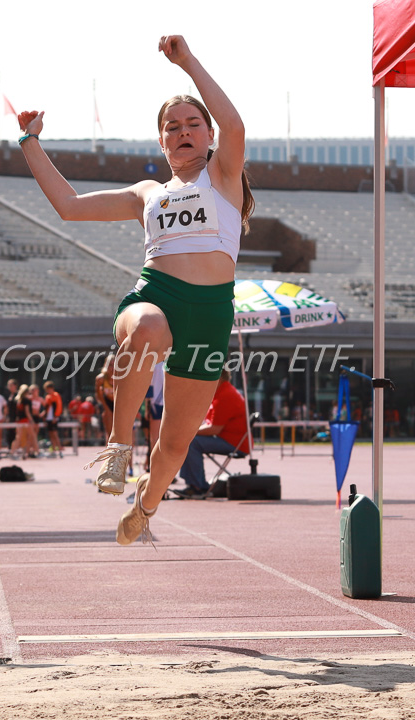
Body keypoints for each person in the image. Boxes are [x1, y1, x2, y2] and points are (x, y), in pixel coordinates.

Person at [18, 34, 253, 546]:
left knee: (172, 448)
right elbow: (70, 206)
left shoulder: (223, 175)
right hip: (156, 294)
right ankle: (118, 446)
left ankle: (145, 507)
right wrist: (30, 142)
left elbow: (234, 124)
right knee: (145, 326)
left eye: (193, 124)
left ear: (208, 135)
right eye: (173, 127)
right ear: (162, 143)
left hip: (210, 315)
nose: (183, 131)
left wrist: (188, 62)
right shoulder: (148, 194)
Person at [175, 368, 250, 497]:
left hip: (235, 443)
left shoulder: (226, 395)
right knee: (190, 440)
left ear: (217, 378)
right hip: (230, 439)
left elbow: (214, 429)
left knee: (192, 442)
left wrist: (189, 431)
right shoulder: (222, 392)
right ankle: (194, 484)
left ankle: (198, 486)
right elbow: (210, 424)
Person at [10, 384, 38, 459]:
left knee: (18, 437)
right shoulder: (26, 400)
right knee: (33, 436)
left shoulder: (18, 400)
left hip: (19, 421)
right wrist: (32, 421)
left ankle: (12, 452)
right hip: (25, 421)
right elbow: (27, 412)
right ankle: (37, 451)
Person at [95, 354, 115, 443]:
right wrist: (106, 408)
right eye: (110, 365)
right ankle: (109, 453)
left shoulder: (121, 377)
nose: (112, 368)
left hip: (119, 404)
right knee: (109, 432)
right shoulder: (101, 379)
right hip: (107, 403)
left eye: (114, 365)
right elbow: (98, 394)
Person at [42, 381, 64, 458]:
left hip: (54, 417)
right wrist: (44, 416)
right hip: (49, 418)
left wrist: (56, 416)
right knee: (51, 434)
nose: (48, 391)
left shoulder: (56, 395)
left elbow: (58, 406)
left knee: (55, 434)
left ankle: (60, 450)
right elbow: (47, 408)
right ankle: (53, 450)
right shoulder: (47, 397)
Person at [5, 378, 19, 449]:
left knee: (17, 435)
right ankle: (10, 449)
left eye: (10, 385)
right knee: (9, 434)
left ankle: (15, 449)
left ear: (15, 386)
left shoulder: (18, 395)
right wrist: (7, 417)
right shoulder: (9, 395)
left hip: (17, 418)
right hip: (10, 418)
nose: (9, 387)